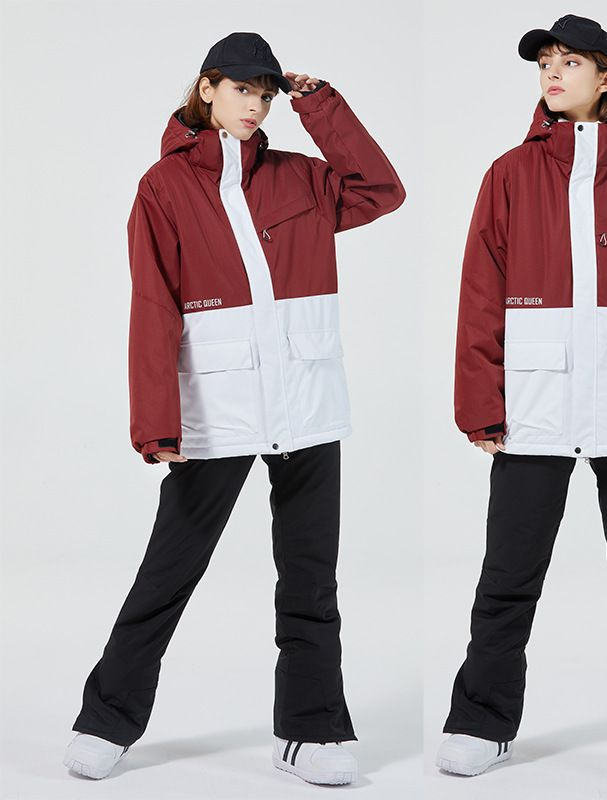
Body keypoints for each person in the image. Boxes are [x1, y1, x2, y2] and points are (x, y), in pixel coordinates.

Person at [62, 31, 404, 786]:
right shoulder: (163, 187)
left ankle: (312, 730)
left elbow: (382, 189)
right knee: (169, 572)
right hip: (216, 407)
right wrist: (156, 422)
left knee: (310, 580)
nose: (256, 105)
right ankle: (107, 719)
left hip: (307, 402)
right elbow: (152, 305)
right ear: (208, 88)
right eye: (243, 89)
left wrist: (321, 105)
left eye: (267, 94)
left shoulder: (302, 176)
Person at [435, 15, 607, 786]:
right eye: (544, 62)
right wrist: (479, 402)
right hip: (536, 404)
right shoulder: (508, 175)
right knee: (508, 577)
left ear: (606, 77)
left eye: (570, 61)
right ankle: (481, 721)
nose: (553, 73)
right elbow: (479, 295)